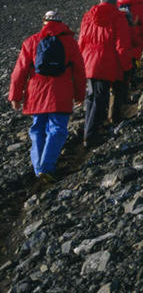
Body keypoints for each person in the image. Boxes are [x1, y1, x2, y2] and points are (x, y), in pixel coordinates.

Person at [8, 10, 86, 182]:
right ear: (60, 22)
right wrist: (80, 94)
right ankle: (47, 166)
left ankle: (39, 168)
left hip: (36, 92)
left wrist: (15, 95)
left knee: (38, 129)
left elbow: (19, 71)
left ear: (43, 22)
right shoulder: (70, 43)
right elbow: (80, 71)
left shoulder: (31, 42)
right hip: (61, 92)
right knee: (57, 128)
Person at [78, 0, 133, 148]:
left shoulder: (88, 16)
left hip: (88, 61)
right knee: (100, 98)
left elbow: (81, 40)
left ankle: (87, 132)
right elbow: (121, 45)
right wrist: (126, 66)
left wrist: (81, 61)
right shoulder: (118, 17)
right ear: (115, 2)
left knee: (91, 97)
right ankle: (91, 136)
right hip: (105, 62)